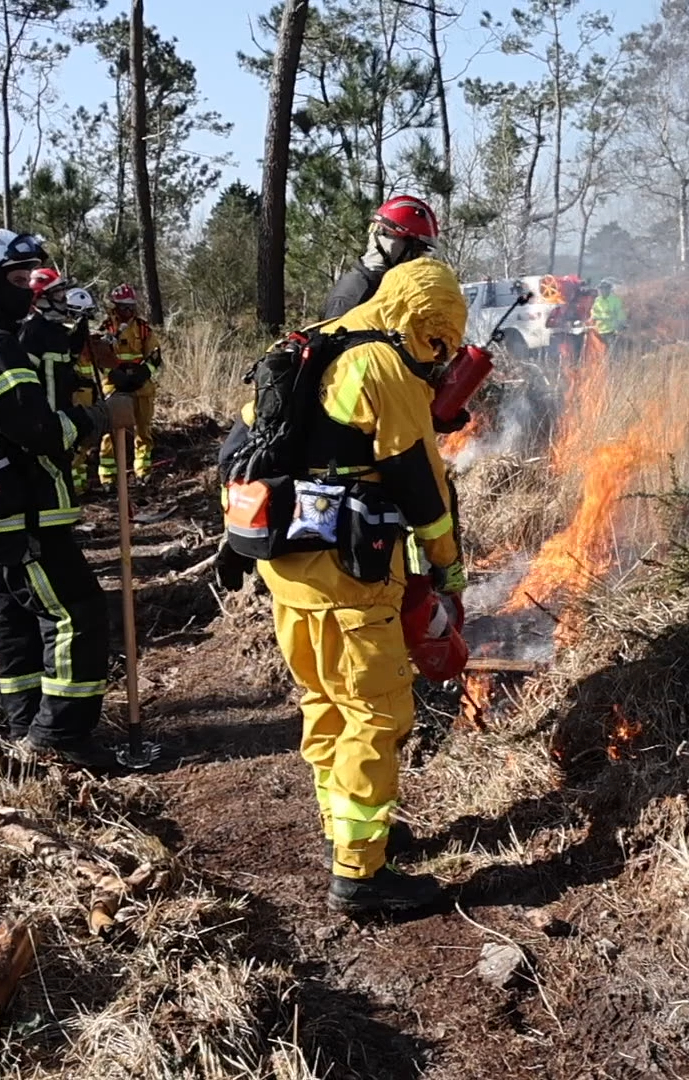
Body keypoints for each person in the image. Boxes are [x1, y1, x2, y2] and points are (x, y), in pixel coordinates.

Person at [257, 256, 469, 915]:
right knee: (379, 713)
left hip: (289, 561)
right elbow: (420, 485)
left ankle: (345, 829)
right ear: (424, 324)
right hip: (350, 573)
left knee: (325, 700)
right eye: (438, 345)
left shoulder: (312, 341)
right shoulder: (384, 365)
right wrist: (448, 565)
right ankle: (360, 876)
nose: (436, 361)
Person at [0, 228, 135, 771]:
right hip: (21, 512)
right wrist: (102, 417)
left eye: (31, 277)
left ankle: (25, 727)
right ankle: (61, 741)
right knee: (76, 613)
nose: (28, 289)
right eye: (15, 278)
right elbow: (38, 429)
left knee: (17, 620)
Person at [19, 267, 101, 494]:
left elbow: (63, 367)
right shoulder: (32, 332)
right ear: (41, 299)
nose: (64, 300)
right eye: (58, 295)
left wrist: (79, 335)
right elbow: (25, 384)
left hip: (63, 422)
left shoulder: (56, 332)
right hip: (44, 427)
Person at [319, 195, 440, 320]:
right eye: (417, 250)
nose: (418, 258)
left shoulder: (385, 285)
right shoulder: (351, 296)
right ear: (391, 241)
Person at [98, 284, 162, 482]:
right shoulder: (106, 328)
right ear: (115, 307)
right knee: (109, 432)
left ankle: (143, 471)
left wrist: (142, 374)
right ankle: (108, 476)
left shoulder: (143, 329)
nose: (128, 311)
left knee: (143, 430)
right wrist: (115, 375)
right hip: (114, 386)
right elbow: (98, 355)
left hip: (141, 387)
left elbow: (155, 356)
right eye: (124, 307)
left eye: (131, 307)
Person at [591, 278, 628, 347]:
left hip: (611, 331)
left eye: (605, 289)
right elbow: (593, 312)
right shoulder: (597, 300)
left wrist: (621, 325)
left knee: (612, 350)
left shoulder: (615, 300)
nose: (602, 291)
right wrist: (595, 317)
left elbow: (620, 314)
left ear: (609, 290)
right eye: (601, 289)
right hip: (598, 330)